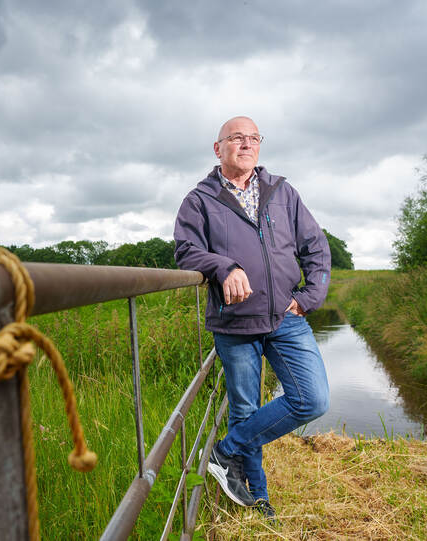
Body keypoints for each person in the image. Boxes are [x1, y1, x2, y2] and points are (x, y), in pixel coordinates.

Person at [173, 116, 331, 518]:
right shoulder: (200, 199)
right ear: (218, 148)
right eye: (236, 138)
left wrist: (309, 296)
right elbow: (186, 251)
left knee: (312, 399)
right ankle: (258, 499)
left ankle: (224, 452)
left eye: (253, 138)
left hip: (286, 317)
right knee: (245, 411)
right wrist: (223, 266)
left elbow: (315, 246)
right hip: (235, 323)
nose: (246, 144)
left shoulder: (282, 192)